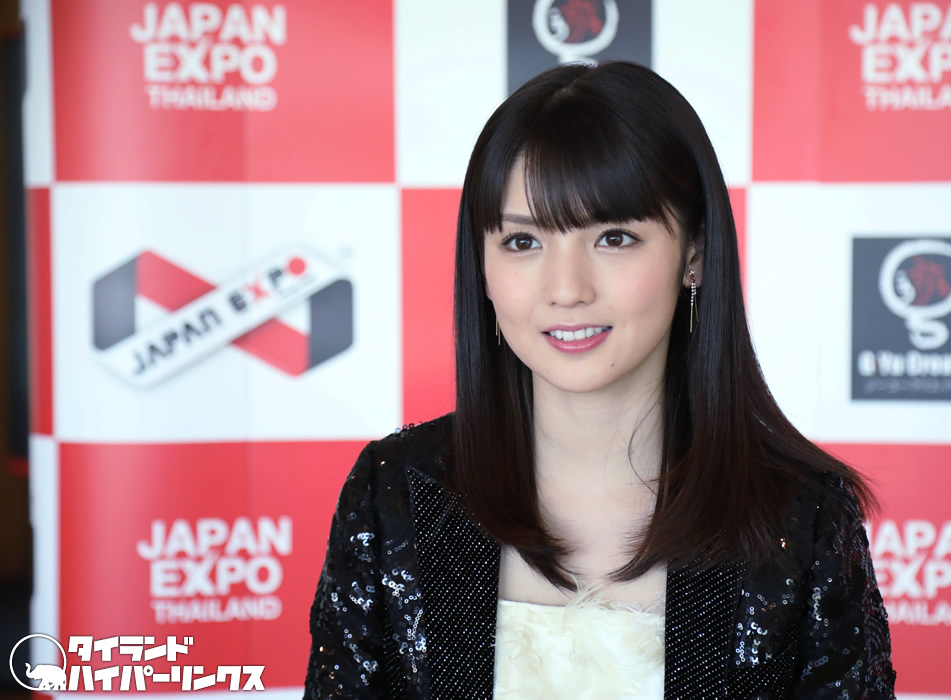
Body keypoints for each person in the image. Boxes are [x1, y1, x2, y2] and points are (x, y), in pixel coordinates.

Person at [304, 61, 895, 699]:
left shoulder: (804, 517)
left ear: (694, 255)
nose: (567, 290)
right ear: (481, 264)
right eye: (522, 242)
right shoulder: (393, 494)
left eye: (613, 238)